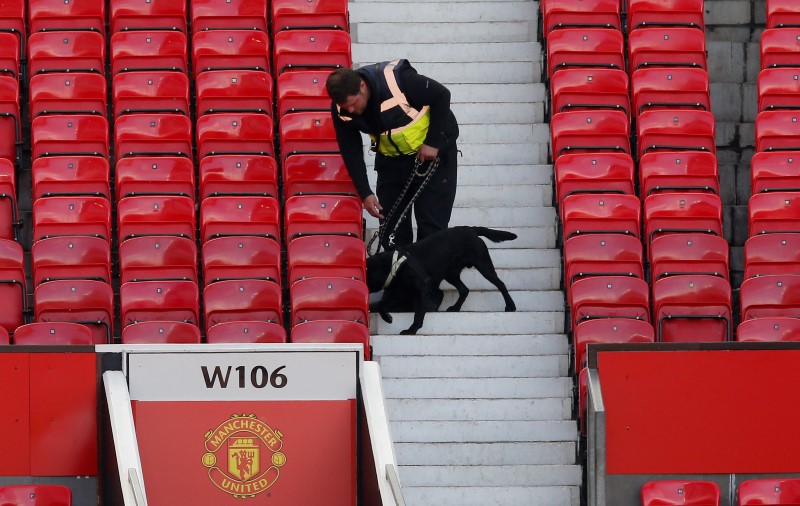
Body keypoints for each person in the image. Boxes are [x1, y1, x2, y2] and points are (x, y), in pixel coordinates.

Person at [326, 59, 459, 254]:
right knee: (392, 231)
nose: (351, 111)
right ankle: (399, 281)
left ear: (362, 86)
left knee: (432, 227)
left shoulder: (400, 80)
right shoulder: (342, 109)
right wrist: (365, 193)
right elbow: (350, 150)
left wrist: (432, 143)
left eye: (354, 104)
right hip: (392, 161)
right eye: (346, 107)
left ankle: (428, 282)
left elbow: (442, 95)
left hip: (434, 157)